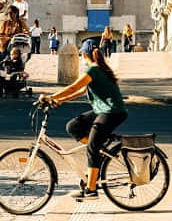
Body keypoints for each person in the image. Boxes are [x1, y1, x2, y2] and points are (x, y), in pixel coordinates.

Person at [39, 38, 128, 202]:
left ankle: (91, 189)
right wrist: (60, 100)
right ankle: (103, 148)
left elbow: (73, 87)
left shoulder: (93, 70)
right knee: (73, 127)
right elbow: (80, 91)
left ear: (84, 54)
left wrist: (50, 96)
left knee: (92, 147)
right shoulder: (97, 69)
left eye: (81, 54)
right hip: (103, 110)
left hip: (112, 112)